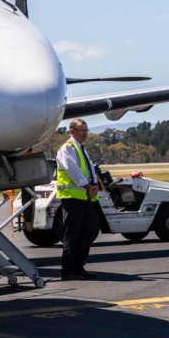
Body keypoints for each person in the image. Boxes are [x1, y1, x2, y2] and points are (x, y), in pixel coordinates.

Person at [55, 118, 101, 280]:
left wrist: (94, 186)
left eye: (86, 130)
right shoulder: (67, 149)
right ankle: (67, 270)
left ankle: (78, 266)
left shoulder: (81, 149)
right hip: (72, 198)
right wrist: (89, 186)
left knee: (86, 234)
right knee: (72, 235)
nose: (85, 134)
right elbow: (73, 171)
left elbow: (89, 170)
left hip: (84, 197)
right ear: (72, 131)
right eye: (82, 131)